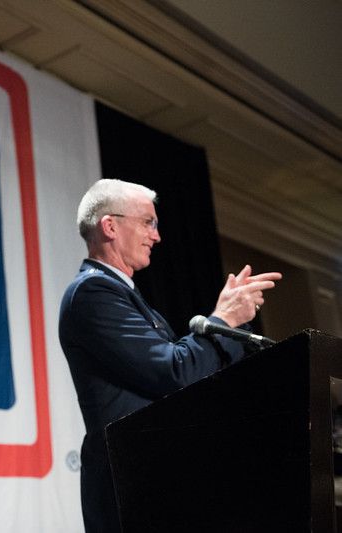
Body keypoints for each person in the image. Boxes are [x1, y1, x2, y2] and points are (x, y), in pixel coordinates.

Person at [58, 179, 281, 533]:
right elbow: (175, 371)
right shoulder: (93, 293)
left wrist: (231, 326)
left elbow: (188, 376)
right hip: (131, 484)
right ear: (110, 226)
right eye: (148, 222)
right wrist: (223, 320)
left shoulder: (122, 295)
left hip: (157, 478)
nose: (157, 235)